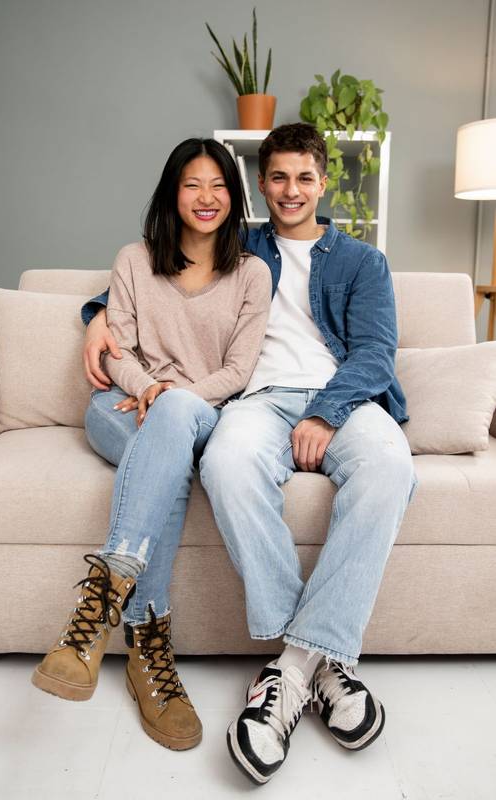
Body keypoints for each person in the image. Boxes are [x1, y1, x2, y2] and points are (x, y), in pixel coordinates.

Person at [81, 123, 417, 783]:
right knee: (226, 465)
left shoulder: (361, 261)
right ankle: (327, 665)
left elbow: (376, 353)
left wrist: (326, 410)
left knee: (391, 469)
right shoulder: (239, 243)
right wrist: (95, 310)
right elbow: (158, 264)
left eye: (305, 178)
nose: (292, 190)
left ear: (324, 183)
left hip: (343, 401)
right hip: (254, 402)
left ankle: (293, 670)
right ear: (261, 184)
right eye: (280, 177)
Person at [31, 137, 272, 753]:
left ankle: (108, 615)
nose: (206, 197)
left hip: (201, 415)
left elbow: (240, 370)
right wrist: (152, 391)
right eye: (192, 184)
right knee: (165, 449)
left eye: (218, 185)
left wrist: (178, 401)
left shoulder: (252, 274)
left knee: (172, 433)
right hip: (121, 411)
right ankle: (147, 653)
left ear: (234, 196)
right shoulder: (135, 260)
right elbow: (119, 351)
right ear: (172, 192)